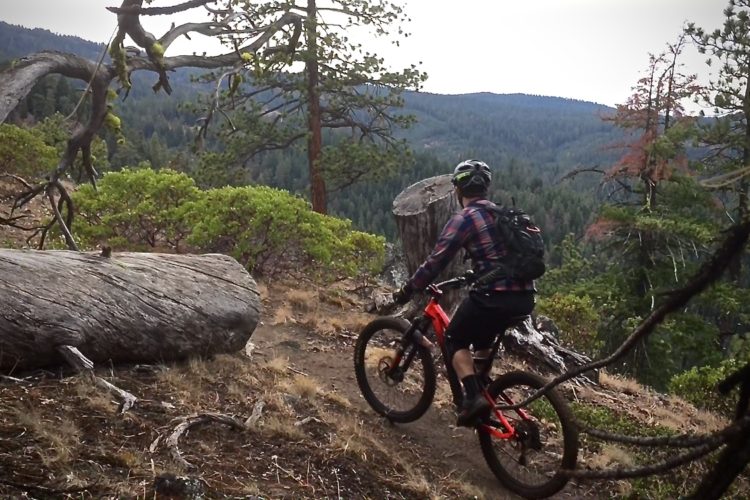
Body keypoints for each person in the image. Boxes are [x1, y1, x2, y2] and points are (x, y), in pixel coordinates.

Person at [392, 159, 536, 427]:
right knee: (481, 339)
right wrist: (471, 276)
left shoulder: (464, 219)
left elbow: (436, 261)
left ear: (458, 191)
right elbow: (500, 259)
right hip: (524, 297)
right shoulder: (501, 214)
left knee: (454, 339)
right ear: (485, 188)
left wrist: (410, 288)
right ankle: (482, 389)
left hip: (494, 297)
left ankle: (472, 398)